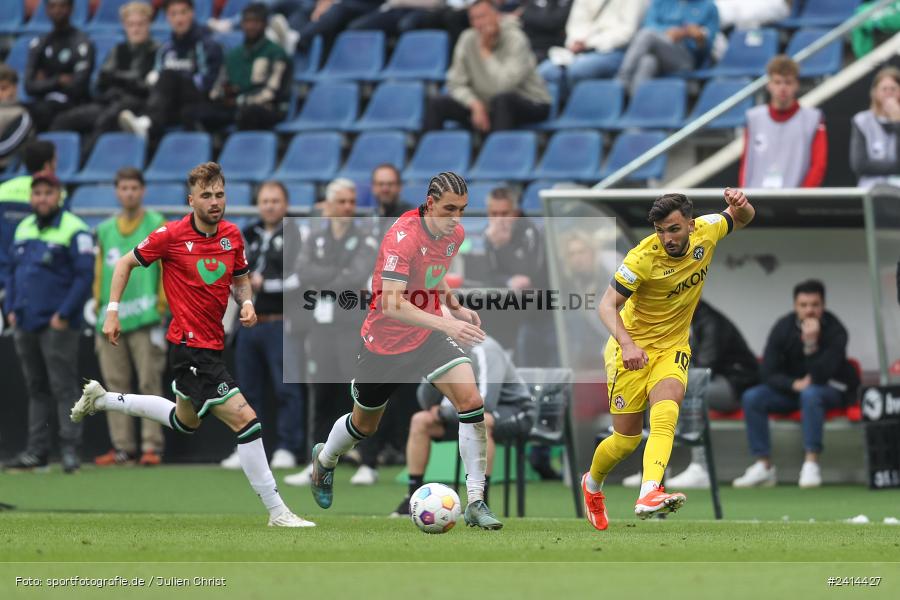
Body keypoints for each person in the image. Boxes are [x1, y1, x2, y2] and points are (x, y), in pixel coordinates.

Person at [70, 162, 314, 528]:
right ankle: (278, 512)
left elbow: (241, 279)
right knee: (247, 422)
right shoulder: (170, 235)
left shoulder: (232, 234)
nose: (215, 202)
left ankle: (104, 399)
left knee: (183, 422)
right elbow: (123, 264)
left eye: (219, 194)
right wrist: (112, 311)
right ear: (191, 200)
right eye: (206, 195)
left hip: (211, 345)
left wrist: (245, 302)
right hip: (189, 347)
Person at [307, 171, 505, 530]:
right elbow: (392, 305)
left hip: (426, 337)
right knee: (362, 426)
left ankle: (476, 501)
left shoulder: (452, 233)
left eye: (462, 210)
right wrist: (448, 323)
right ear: (430, 204)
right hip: (385, 344)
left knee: (471, 401)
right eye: (449, 209)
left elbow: (432, 270)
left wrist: (453, 305)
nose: (457, 218)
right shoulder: (402, 238)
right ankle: (326, 458)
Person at [581, 188, 755, 531]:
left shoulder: (708, 229)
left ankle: (649, 491)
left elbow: (741, 219)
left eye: (673, 229)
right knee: (625, 441)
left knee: (668, 407)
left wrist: (743, 207)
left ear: (690, 225)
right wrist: (628, 345)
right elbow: (605, 306)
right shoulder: (641, 258)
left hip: (673, 346)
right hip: (629, 351)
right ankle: (592, 484)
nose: (666, 238)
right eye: (660, 231)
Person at [283, 179, 379, 486]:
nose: (348, 207)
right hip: (321, 324)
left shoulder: (364, 238)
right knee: (321, 392)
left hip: (352, 323)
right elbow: (303, 269)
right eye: (342, 201)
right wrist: (334, 276)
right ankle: (317, 463)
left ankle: (368, 461)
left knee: (359, 392)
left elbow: (357, 275)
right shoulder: (316, 237)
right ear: (328, 205)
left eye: (352, 201)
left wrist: (326, 278)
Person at [2, 172, 93, 473]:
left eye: (47, 193)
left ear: (59, 197)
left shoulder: (75, 229)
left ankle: (70, 450)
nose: (42, 198)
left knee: (63, 386)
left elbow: (84, 278)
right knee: (36, 387)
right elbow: (14, 272)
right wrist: (11, 307)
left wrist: (64, 315)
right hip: (26, 320)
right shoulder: (24, 227)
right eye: (37, 193)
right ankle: (36, 451)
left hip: (58, 324)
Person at [733, 280, 860, 489]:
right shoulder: (783, 327)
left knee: (811, 394)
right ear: (795, 306)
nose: (809, 310)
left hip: (829, 391)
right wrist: (793, 384)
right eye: (804, 305)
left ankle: (811, 463)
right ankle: (763, 466)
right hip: (791, 392)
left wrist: (810, 343)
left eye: (815, 304)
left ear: (823, 305)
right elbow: (766, 372)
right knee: (753, 397)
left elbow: (821, 375)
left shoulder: (836, 330)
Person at [391, 331, 533, 516]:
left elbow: (486, 403)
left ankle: (479, 502)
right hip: (463, 412)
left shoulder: (485, 349)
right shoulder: (437, 350)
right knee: (420, 421)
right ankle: (411, 498)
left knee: (482, 421)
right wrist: (430, 371)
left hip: (515, 411)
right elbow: (425, 402)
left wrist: (443, 412)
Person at [623, 299, 760, 489]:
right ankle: (654, 468)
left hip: (735, 384)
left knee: (685, 391)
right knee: (655, 390)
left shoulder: (710, 322)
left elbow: (703, 367)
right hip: (713, 380)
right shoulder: (676, 320)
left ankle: (701, 468)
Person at [220, 181, 307, 471]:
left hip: (280, 322)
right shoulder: (248, 233)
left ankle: (287, 447)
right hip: (248, 324)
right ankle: (247, 448)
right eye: (265, 200)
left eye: (275, 200)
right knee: (247, 391)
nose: (269, 205)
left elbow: (300, 279)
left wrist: (264, 284)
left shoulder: (296, 233)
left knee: (285, 389)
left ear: (285, 203)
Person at [92, 168, 168, 467]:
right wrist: (101, 308)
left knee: (150, 381)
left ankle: (152, 446)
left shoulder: (156, 224)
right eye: (123, 188)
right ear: (116, 191)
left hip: (147, 316)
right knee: (114, 384)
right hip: (112, 318)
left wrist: (162, 307)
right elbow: (99, 274)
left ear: (143, 190)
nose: (129, 193)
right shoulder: (105, 229)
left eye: (134, 187)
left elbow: (165, 270)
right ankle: (122, 447)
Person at [423, 0, 552, 132]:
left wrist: (486, 53)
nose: (478, 23)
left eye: (482, 16)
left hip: (532, 102)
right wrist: (474, 104)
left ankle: (496, 151)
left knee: (502, 101)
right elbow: (455, 83)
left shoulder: (516, 38)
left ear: (497, 15)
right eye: (473, 19)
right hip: (486, 102)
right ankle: (428, 149)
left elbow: (504, 86)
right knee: (437, 103)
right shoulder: (467, 39)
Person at [50, 1, 158, 156]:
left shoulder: (157, 51)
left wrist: (118, 78)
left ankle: (82, 162)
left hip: (135, 105)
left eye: (140, 24)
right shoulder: (118, 50)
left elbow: (146, 86)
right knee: (63, 119)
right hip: (109, 100)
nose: (136, 29)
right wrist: (126, 80)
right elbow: (102, 80)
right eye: (131, 24)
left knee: (106, 119)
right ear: (124, 26)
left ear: (149, 24)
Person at [118, 0, 224, 143]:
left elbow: (208, 81)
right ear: (167, 17)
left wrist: (178, 80)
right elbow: (156, 77)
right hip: (172, 104)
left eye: (183, 13)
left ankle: (148, 122)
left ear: (191, 13)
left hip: (200, 98)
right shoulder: (166, 48)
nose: (178, 19)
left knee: (169, 75)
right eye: (173, 14)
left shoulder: (207, 44)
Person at [186, 2, 292, 132]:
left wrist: (241, 100)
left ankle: (247, 151)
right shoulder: (233, 55)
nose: (251, 26)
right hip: (235, 107)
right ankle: (205, 149)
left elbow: (272, 93)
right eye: (247, 22)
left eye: (256, 22)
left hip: (265, 108)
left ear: (265, 24)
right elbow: (217, 90)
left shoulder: (276, 54)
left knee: (248, 114)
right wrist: (223, 94)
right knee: (191, 113)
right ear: (241, 24)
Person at [483, 186, 556, 371]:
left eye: (504, 213)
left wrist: (502, 247)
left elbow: (530, 276)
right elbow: (490, 275)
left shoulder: (533, 232)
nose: (499, 219)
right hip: (513, 313)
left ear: (515, 212)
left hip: (546, 312)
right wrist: (508, 280)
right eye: (494, 213)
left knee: (547, 367)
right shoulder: (490, 235)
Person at [739, 55, 827, 189]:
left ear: (796, 84)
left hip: (794, 202)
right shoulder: (753, 118)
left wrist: (801, 195)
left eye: (788, 82)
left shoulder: (813, 118)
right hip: (755, 201)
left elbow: (819, 164)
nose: (783, 87)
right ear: (769, 85)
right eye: (777, 82)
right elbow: (746, 163)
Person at [616, 0, 718, 96]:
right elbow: (648, 23)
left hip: (685, 58)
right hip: (657, 50)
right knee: (647, 62)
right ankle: (635, 105)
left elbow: (708, 48)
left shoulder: (709, 6)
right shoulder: (660, 1)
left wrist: (698, 38)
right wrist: (668, 32)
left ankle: (621, 80)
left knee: (647, 35)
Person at [537, 0, 644, 89]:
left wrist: (589, 43)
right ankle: (563, 110)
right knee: (545, 71)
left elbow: (627, 33)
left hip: (613, 51)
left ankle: (586, 109)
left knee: (579, 70)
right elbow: (575, 24)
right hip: (580, 51)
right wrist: (576, 41)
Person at [24, 0, 95, 132]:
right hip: (42, 103)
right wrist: (58, 80)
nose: (57, 10)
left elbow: (78, 87)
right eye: (52, 6)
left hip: (71, 105)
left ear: (71, 9)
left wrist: (44, 82)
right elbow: (28, 86)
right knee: (17, 112)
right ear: (46, 10)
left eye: (62, 6)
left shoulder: (82, 42)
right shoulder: (39, 43)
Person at [0, 141, 58, 297]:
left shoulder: (3, 189)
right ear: (47, 165)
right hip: (32, 278)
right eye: (55, 161)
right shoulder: (54, 195)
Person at [850, 66, 900, 189]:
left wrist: (898, 122)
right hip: (872, 189)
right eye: (884, 89)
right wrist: (896, 167)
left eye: (893, 89)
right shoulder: (862, 120)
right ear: (875, 92)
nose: (889, 93)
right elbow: (859, 164)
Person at [295, 0, 385, 55]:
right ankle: (291, 36)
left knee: (337, 10)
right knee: (299, 8)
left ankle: (297, 39)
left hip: (372, 5)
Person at [347, 0, 445, 38]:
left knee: (406, 25)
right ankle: (378, 65)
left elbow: (436, 3)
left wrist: (402, 2)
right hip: (395, 10)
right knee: (357, 27)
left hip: (422, 10)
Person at [0, 64, 34, 170]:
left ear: (15, 88)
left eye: (3, 88)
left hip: (7, 170)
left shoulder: (21, 115)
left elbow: (10, 144)